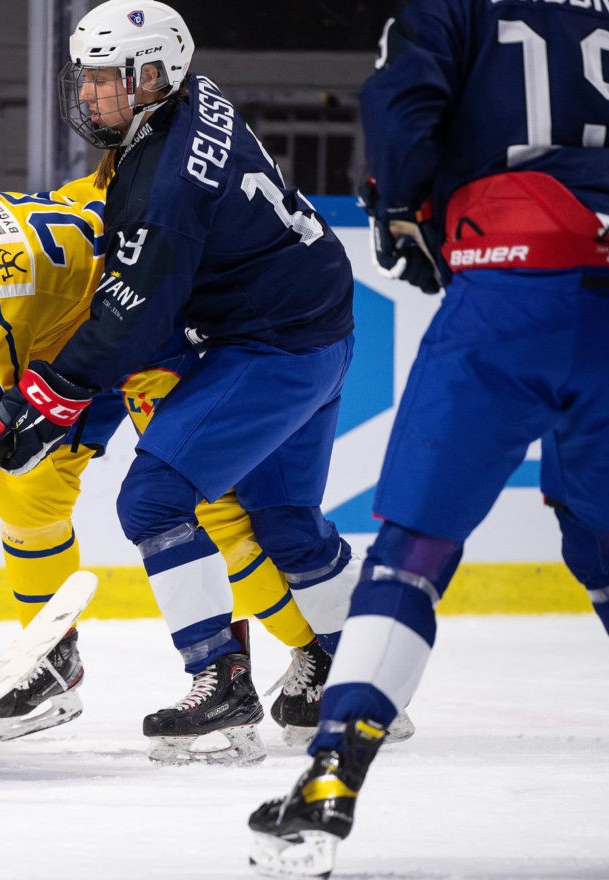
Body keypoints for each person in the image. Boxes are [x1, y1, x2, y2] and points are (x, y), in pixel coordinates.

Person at [0, 0, 396, 763]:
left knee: (153, 498)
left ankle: (220, 679)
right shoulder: (190, 102)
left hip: (275, 347)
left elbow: (136, 310)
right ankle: (366, 677)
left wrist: (52, 386)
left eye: (107, 78)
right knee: (287, 521)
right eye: (89, 77)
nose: (89, 95)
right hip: (315, 328)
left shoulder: (165, 178)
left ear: (154, 75)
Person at [249, 0, 609, 874]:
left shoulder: (454, 4)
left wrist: (400, 205)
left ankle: (333, 770)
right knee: (599, 537)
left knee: (412, 549)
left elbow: (402, 103)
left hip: (510, 281)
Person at [0, 164, 346, 758]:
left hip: (147, 338)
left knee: (211, 511)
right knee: (25, 493)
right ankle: (51, 659)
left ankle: (310, 656)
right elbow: (83, 198)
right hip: (71, 356)